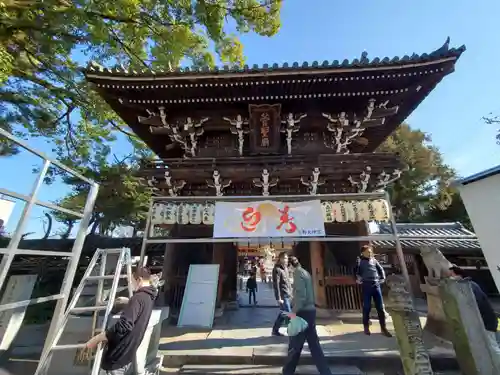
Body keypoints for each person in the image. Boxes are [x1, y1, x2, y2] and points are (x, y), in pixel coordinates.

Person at [84, 267, 157, 375]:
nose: (131, 284)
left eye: (132, 281)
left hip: (117, 357)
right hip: (128, 354)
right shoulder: (149, 297)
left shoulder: (137, 298)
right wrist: (129, 303)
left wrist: (97, 338)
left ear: (139, 280)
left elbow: (124, 326)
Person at [283, 256, 332, 375]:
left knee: (294, 345)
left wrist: (293, 312)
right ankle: (325, 371)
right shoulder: (306, 272)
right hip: (310, 311)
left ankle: (287, 372)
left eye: (287, 267)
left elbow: (301, 296)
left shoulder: (297, 274)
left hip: (302, 312)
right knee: (314, 346)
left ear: (290, 266)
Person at [448, 265, 500, 355]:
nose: (450, 278)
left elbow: (475, 304)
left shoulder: (469, 287)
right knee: (488, 347)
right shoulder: (468, 285)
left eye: (451, 275)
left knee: (492, 347)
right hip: (483, 322)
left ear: (458, 275)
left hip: (486, 322)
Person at [355, 244, 392, 337]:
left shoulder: (374, 261)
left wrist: (382, 278)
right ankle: (366, 327)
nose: (370, 253)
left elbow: (381, 269)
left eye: (371, 252)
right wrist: (357, 279)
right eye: (368, 252)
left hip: (376, 284)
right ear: (363, 253)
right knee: (367, 307)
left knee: (380, 308)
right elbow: (355, 272)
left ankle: (383, 328)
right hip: (366, 285)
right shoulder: (359, 261)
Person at [272, 251, 292, 336]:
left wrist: (291, 293)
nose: (286, 260)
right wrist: (278, 298)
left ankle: (275, 330)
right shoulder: (277, 269)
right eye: (284, 258)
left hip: (287, 293)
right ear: (280, 259)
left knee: (283, 313)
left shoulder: (286, 269)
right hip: (283, 295)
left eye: (287, 258)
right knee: (289, 313)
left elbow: (288, 282)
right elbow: (276, 284)